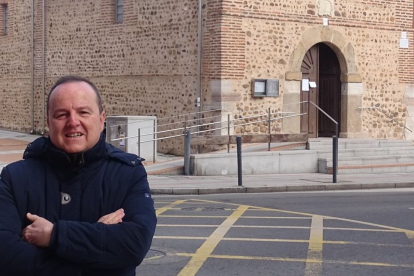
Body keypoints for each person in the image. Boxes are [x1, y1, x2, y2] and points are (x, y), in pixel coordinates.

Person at [0, 75, 157, 276]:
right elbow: (5, 256)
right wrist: (99, 248)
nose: (73, 122)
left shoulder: (128, 173)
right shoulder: (15, 178)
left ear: (101, 120)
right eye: (61, 114)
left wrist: (53, 236)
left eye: (83, 112)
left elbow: (135, 244)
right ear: (49, 122)